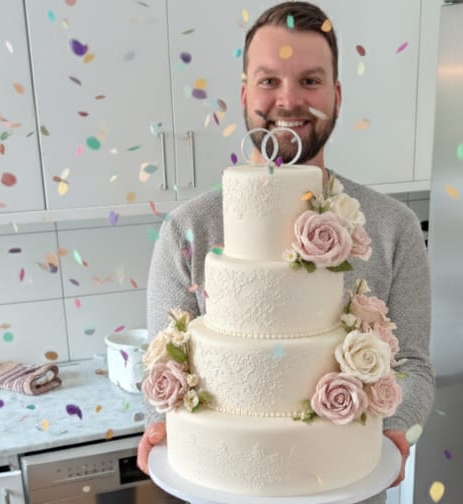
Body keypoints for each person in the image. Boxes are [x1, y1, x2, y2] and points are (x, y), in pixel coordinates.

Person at [137, 2, 434, 501]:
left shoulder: (392, 227)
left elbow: (415, 367)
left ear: (336, 97)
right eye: (269, 80)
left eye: (311, 81)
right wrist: (163, 428)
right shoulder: (186, 230)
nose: (289, 99)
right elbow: (161, 372)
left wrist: (383, 433)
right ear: (245, 94)